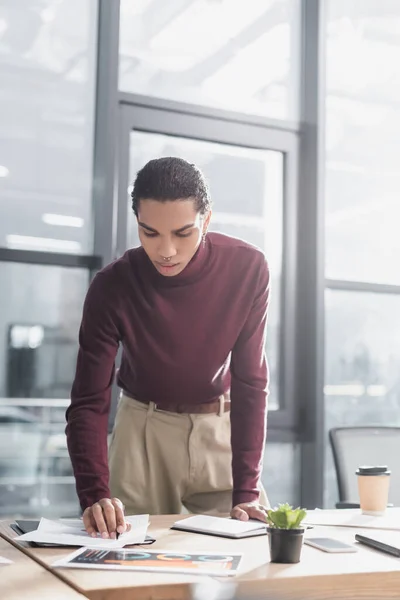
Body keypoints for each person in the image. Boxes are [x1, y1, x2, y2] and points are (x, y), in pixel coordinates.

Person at [66, 157, 270, 539]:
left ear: (206, 220)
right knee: (126, 571)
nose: (167, 250)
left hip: (219, 435)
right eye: (150, 233)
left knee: (254, 556)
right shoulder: (112, 286)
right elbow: (88, 400)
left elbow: (251, 381)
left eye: (182, 233)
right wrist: (94, 493)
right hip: (141, 434)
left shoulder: (249, 268)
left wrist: (246, 489)